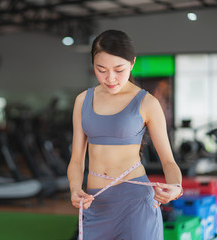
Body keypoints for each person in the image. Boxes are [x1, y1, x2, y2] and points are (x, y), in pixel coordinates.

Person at [67, 29, 183, 240]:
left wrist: (176, 187)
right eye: (101, 69)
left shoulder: (147, 103)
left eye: (119, 70)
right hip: (95, 203)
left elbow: (168, 161)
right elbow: (76, 160)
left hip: (135, 203)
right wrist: (75, 189)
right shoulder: (82, 100)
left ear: (132, 63)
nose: (110, 78)